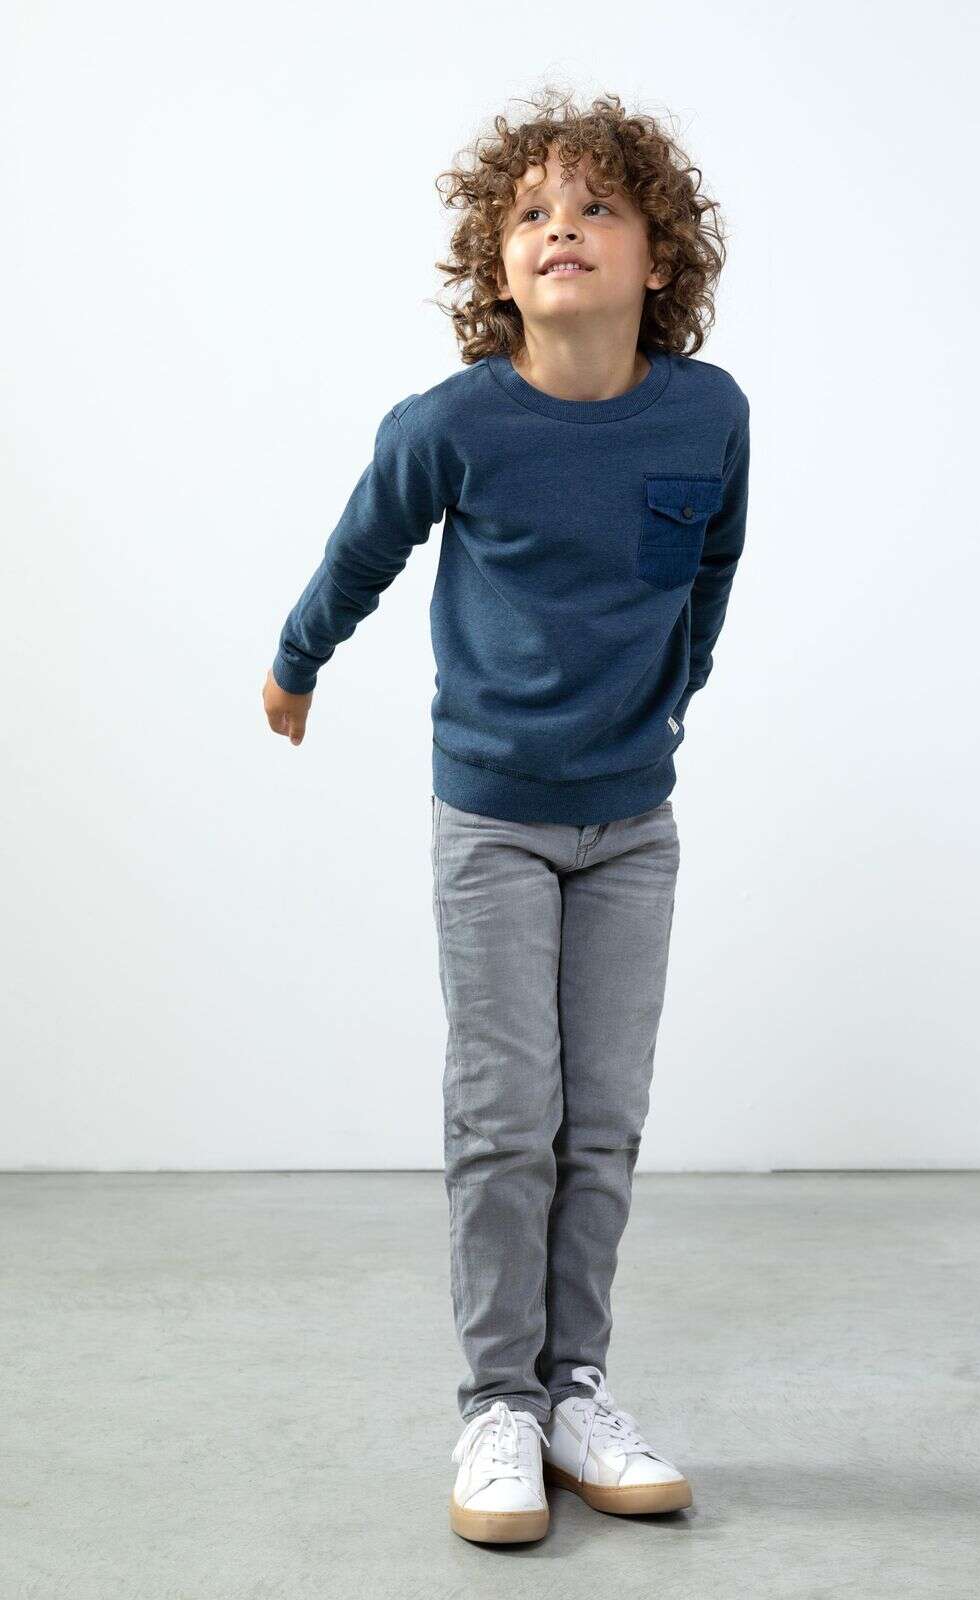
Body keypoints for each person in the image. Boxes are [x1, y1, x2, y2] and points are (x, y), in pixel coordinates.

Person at [262, 87, 751, 1545]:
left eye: (598, 206)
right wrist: (295, 662)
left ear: (660, 257)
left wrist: (670, 702)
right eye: (533, 211)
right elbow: (359, 547)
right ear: (497, 263)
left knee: (601, 1122)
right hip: (493, 824)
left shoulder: (709, 413)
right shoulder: (458, 423)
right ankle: (497, 1407)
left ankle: (574, 1389)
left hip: (634, 826)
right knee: (505, 1118)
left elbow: (711, 570)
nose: (562, 228)